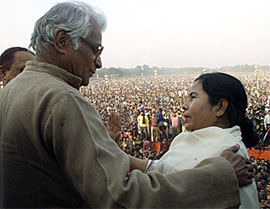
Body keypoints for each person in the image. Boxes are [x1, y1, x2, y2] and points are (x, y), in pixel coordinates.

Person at [0, 2, 252, 208]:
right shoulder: (61, 99)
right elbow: (120, 197)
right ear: (62, 41)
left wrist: (105, 149)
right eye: (94, 49)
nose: (99, 63)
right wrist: (220, 175)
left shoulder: (13, 89)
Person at [132, 73, 259, 208]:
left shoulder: (226, 152)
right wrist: (113, 151)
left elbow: (169, 191)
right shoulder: (194, 141)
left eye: (193, 98)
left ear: (220, 107)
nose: (184, 106)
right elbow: (160, 169)